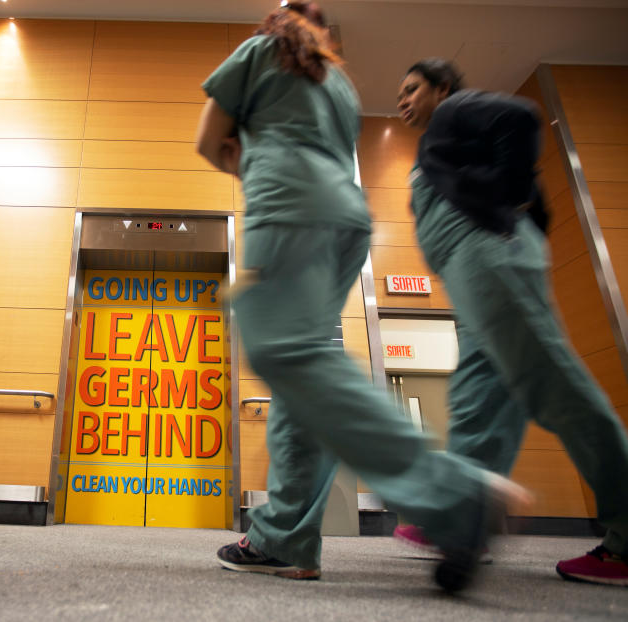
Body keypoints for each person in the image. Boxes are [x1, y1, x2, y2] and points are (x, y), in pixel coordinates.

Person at [195, 1, 529, 592]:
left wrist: (248, 160)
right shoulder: (339, 85)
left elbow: (207, 137)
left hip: (289, 208)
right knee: (304, 375)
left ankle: (454, 494)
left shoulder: (258, 51)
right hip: (348, 222)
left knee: (285, 354)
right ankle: (284, 539)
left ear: (277, 22)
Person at [395, 58, 628, 587]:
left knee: (554, 385)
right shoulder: (440, 140)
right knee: (479, 401)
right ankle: (462, 520)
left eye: (413, 89)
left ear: (443, 88)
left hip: (485, 259)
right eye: (400, 94)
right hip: (473, 272)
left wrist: (508, 206)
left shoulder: (456, 110)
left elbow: (521, 116)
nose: (404, 100)